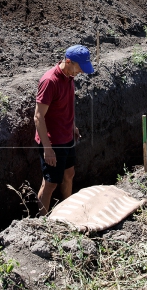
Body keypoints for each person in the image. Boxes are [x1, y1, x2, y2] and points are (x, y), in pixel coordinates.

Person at [34, 45, 95, 215]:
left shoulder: (70, 76)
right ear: (68, 62)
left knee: (69, 174)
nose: (81, 72)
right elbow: (38, 117)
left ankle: (67, 211)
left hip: (67, 136)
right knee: (50, 184)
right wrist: (48, 148)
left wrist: (73, 126)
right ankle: (43, 222)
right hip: (53, 142)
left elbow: (65, 106)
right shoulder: (49, 81)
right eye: (79, 68)